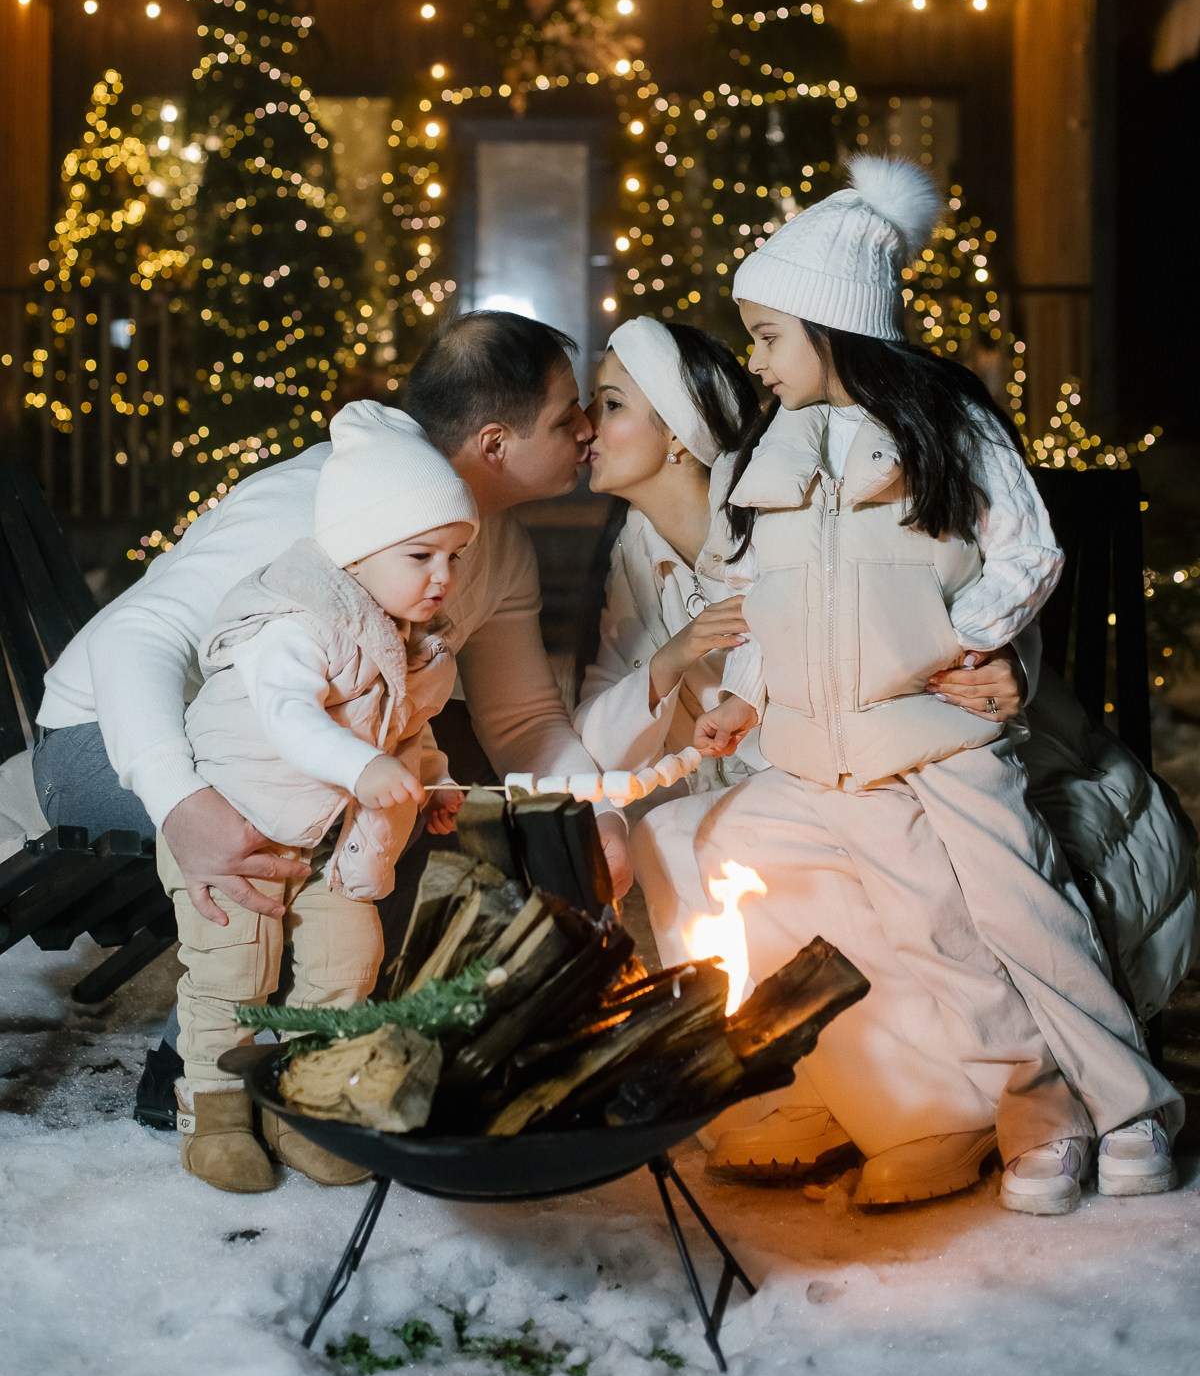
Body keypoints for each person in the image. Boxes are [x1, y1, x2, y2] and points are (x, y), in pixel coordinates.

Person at [694, 153, 1182, 1214]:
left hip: (943, 736)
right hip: (830, 752)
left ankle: (1120, 1107)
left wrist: (960, 640)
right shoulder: (771, 456)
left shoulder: (949, 427)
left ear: (834, 329)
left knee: (1016, 910)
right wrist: (741, 690)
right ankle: (970, 1101)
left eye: (770, 334)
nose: (756, 356)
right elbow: (761, 598)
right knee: (853, 898)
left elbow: (1030, 551)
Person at [31, 311, 617, 1120]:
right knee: (316, 804)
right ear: (494, 444)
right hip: (103, 744)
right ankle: (198, 1061)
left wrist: (597, 815)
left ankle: (332, 1040)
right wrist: (180, 801)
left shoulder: (500, 548)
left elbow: (520, 719)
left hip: (293, 749)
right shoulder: (315, 504)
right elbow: (137, 637)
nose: (587, 428)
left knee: (416, 792)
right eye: (566, 416)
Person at [575, 313, 1038, 1198]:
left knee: (763, 833)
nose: (589, 431)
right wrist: (666, 665)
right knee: (671, 835)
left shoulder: (784, 503)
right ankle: (792, 1087)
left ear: (676, 436)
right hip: (761, 775)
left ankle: (937, 1107)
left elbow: (941, 581)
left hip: (864, 755)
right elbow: (597, 734)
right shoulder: (636, 556)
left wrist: (1006, 661)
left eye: (609, 404)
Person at [162, 406, 477, 1192]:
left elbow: (410, 731)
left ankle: (304, 1102)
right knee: (236, 967)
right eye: (421, 554)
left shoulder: (416, 639)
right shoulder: (298, 621)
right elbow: (292, 721)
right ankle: (215, 1107)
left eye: (454, 556)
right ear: (357, 549)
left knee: (350, 959)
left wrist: (428, 780)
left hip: (327, 839)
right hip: (237, 824)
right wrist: (364, 767)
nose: (442, 576)